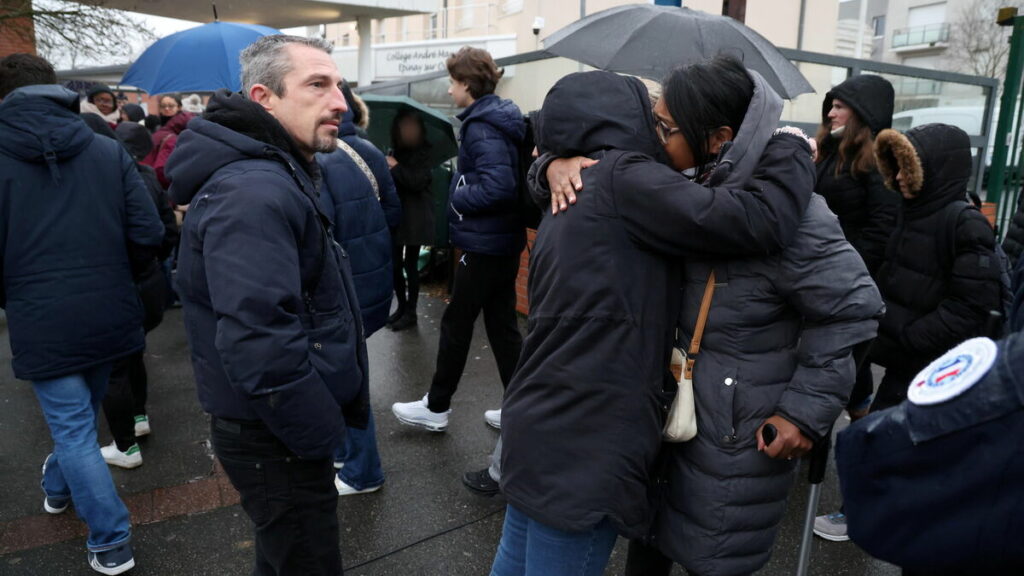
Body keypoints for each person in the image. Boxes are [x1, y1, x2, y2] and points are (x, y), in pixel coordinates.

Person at [490, 59, 826, 575]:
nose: (658, 129)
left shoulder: (583, 179)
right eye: (653, 119)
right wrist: (788, 145)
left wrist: (549, 163)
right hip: (588, 439)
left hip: (541, 420)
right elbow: (759, 220)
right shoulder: (629, 180)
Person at [618, 59, 883, 576]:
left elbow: (851, 311)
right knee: (645, 546)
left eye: (666, 128)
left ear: (718, 138)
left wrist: (803, 412)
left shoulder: (794, 215)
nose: (655, 137)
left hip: (734, 440)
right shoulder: (678, 192)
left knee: (713, 557)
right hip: (664, 416)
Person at [166, 35, 368, 575]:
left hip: (274, 430)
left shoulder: (274, 172)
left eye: (340, 86)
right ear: (265, 97)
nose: (340, 102)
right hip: (273, 434)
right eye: (318, 85)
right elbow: (259, 339)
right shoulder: (253, 191)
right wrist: (318, 429)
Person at [0, 53, 164, 575]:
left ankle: (112, 540)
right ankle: (58, 482)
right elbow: (148, 234)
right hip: (109, 309)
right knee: (75, 429)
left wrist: (15, 295)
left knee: (73, 432)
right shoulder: (104, 149)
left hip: (40, 314)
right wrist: (119, 280)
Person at [815, 124, 1006, 543]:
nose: (898, 176)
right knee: (898, 439)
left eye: (907, 167)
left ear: (934, 169)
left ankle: (865, 515)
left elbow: (971, 306)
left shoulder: (963, 223)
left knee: (886, 437)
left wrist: (913, 335)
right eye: (896, 166)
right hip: (906, 351)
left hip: (930, 358)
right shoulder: (913, 211)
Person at [392, 46, 524, 432]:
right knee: (502, 329)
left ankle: (436, 407)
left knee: (456, 323)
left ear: (466, 83)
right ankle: (520, 411)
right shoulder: (496, 120)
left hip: (485, 246)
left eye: (452, 82)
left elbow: (499, 186)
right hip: (501, 242)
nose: (450, 91)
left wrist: (456, 192)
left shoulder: (483, 126)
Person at [317, 83, 401, 497]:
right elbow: (393, 212)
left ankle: (361, 470)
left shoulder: (316, 157)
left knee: (342, 376)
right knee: (350, 368)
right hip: (372, 276)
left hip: (339, 286)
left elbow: (319, 233)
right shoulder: (367, 150)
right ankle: (345, 454)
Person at [95, 122, 179, 469]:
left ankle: (126, 446)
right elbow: (165, 231)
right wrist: (152, 267)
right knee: (133, 355)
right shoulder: (145, 175)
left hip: (119, 285)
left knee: (114, 367)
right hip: (148, 285)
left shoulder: (105, 179)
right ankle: (139, 418)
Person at [815, 74, 898, 420]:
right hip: (822, 273)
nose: (831, 114)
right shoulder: (831, 152)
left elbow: (883, 227)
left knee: (849, 355)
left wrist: (847, 269)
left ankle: (861, 426)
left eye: (838, 107)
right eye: (830, 107)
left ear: (862, 113)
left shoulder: (876, 161)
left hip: (849, 279)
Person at [387, 108, 435, 331]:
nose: (406, 130)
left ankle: (411, 313)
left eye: (410, 125)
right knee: (396, 265)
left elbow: (416, 182)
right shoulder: (396, 150)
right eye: (402, 125)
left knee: (410, 265)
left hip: (416, 216)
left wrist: (396, 167)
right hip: (398, 215)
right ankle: (402, 307)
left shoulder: (425, 153)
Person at [143, 94, 193, 189]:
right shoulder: (157, 126)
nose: (166, 109)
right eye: (163, 106)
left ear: (179, 107)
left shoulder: (182, 128)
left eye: (171, 106)